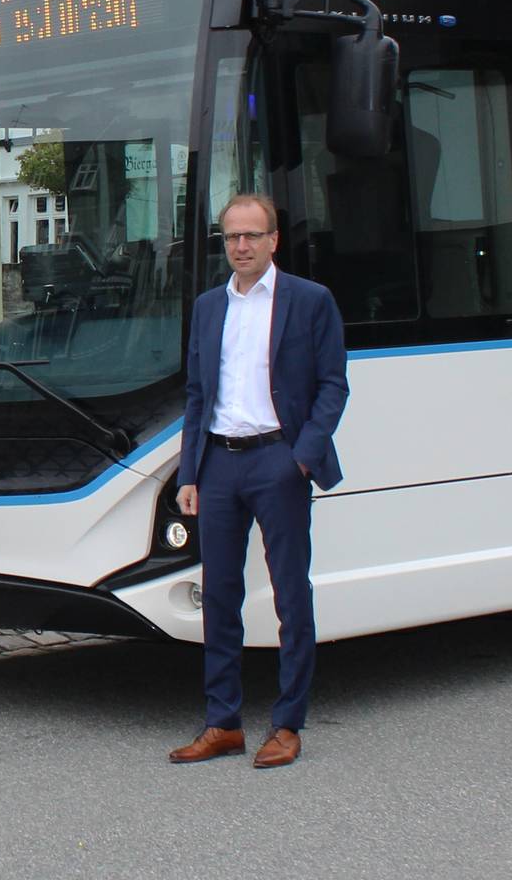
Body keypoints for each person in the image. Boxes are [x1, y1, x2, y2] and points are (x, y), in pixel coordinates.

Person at [169, 193, 348, 770]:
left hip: (278, 460)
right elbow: (197, 395)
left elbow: (333, 384)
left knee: (290, 594)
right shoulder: (208, 307)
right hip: (219, 464)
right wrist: (190, 473)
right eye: (231, 237)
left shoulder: (310, 300)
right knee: (219, 596)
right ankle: (222, 723)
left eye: (251, 235)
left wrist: (302, 457)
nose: (241, 246)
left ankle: (287, 724)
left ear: (274, 240)